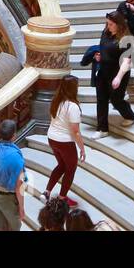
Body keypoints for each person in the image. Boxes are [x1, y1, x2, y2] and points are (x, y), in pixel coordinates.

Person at [83, 10, 134, 137]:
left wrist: (118, 78)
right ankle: (102, 129)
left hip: (118, 74)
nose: (108, 26)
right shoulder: (106, 32)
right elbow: (104, 48)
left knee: (116, 100)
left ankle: (129, 115)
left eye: (111, 24)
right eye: (107, 23)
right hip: (103, 71)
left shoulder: (127, 40)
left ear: (119, 25)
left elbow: (126, 61)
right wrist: (98, 57)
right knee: (101, 99)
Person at [44, 75, 84, 203]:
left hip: (52, 138)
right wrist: (82, 148)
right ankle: (62, 198)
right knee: (70, 169)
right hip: (64, 142)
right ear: (73, 89)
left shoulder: (56, 101)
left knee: (61, 165)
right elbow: (76, 132)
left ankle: (46, 192)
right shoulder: (72, 107)